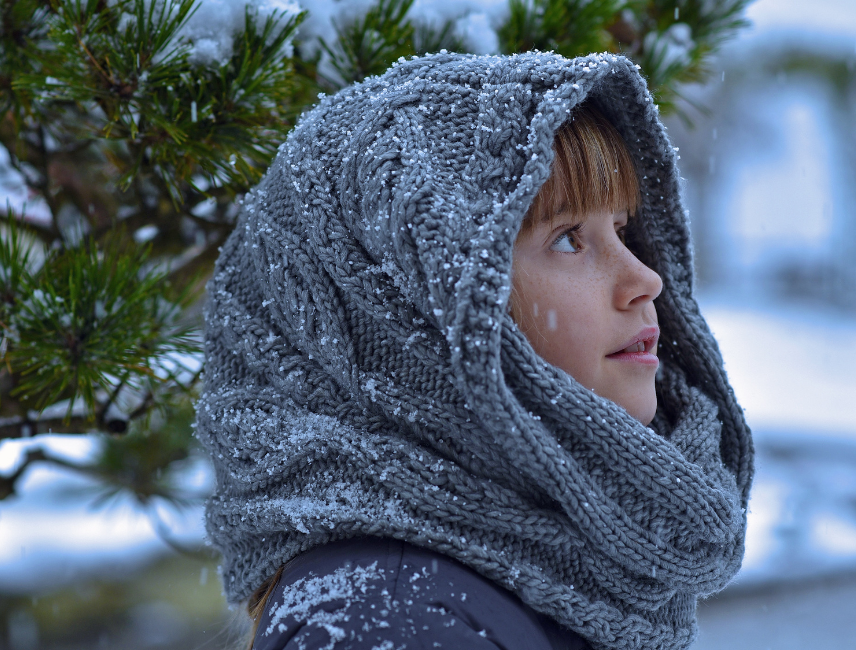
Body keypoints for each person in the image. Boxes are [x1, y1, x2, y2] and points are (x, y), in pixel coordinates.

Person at [195, 51, 753, 650]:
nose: (645, 278)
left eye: (620, 229)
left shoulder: (550, 576)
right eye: (568, 238)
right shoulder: (391, 621)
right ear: (412, 316)